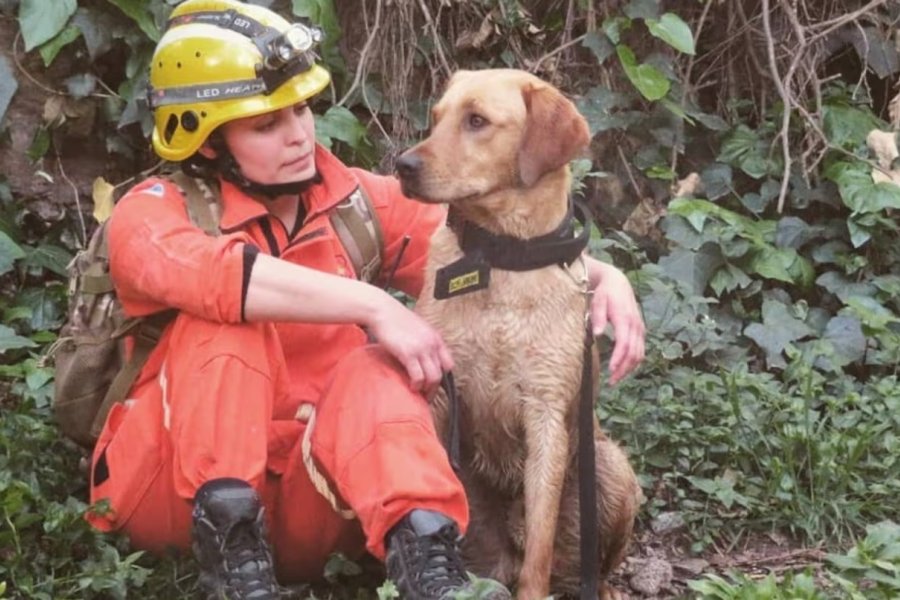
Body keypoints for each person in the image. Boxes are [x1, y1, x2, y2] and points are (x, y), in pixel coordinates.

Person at [86, 1, 646, 598]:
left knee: (378, 365)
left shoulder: (349, 200)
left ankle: (430, 567)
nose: (299, 135)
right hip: (170, 490)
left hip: (319, 493)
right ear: (206, 140)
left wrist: (599, 270)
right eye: (265, 124)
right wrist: (373, 305)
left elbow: (490, 240)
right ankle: (233, 569)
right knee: (225, 325)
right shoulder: (149, 212)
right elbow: (220, 277)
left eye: (300, 109)